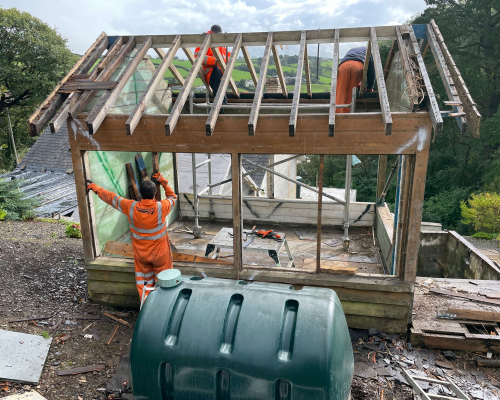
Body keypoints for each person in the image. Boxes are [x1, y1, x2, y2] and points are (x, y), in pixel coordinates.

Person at [87, 173, 177, 304]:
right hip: (161, 255)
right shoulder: (161, 207)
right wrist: (163, 181)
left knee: (145, 285)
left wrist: (94, 187)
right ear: (154, 193)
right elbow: (172, 197)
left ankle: (146, 310)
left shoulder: (130, 207)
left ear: (140, 193)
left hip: (142, 256)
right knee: (164, 281)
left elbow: (111, 198)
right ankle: (163, 309)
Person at [194, 24, 230, 112]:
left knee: (222, 85)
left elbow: (228, 57)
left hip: (221, 73)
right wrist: (215, 61)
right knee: (218, 82)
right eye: (216, 34)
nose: (217, 36)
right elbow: (198, 56)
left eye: (219, 34)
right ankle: (219, 109)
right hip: (211, 72)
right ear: (212, 32)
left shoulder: (223, 44)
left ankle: (222, 108)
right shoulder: (206, 41)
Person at [336, 46, 375, 113]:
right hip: (357, 66)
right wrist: (370, 87)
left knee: (340, 92)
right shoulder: (370, 51)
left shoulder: (352, 50)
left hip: (343, 66)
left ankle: (336, 115)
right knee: (350, 94)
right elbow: (371, 71)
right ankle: (345, 116)